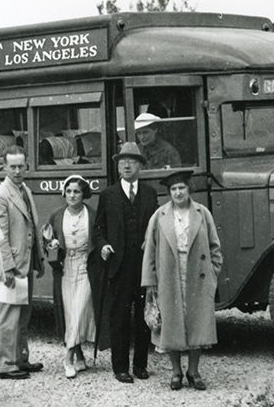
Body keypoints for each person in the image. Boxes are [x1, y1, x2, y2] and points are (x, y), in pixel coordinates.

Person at [141, 170, 223, 391]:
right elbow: (149, 250)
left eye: (181, 188)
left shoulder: (202, 213)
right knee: (172, 322)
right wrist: (151, 281)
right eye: (173, 189)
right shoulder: (159, 216)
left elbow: (215, 247)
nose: (178, 193)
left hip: (197, 273)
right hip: (168, 274)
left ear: (189, 190)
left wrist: (213, 272)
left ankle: (193, 371)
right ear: (169, 193)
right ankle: (176, 371)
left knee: (196, 322)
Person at [95, 142, 158, 383]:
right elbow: (98, 228)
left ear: (140, 166)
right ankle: (120, 367)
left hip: (143, 266)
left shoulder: (150, 194)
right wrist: (103, 245)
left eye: (132, 161)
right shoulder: (108, 195)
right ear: (118, 166)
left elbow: (157, 228)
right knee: (119, 317)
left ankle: (140, 365)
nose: (127, 165)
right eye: (123, 161)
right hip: (118, 268)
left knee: (144, 316)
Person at [0, 145, 45, 380]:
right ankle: (3, 364)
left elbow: (30, 226)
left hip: (25, 261)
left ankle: (20, 358)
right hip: (11, 265)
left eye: (21, 166)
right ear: (4, 167)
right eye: (13, 167)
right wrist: (7, 268)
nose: (18, 171)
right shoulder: (0, 195)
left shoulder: (24, 190)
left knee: (23, 314)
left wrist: (38, 259)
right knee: (8, 315)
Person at [43, 175, 103, 379]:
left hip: (86, 266)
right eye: (68, 191)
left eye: (76, 191)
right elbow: (48, 241)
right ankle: (79, 356)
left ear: (84, 193)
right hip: (66, 267)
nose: (72, 195)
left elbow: (100, 238)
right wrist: (51, 246)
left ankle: (67, 357)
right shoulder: (57, 216)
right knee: (70, 312)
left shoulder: (93, 215)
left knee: (80, 308)